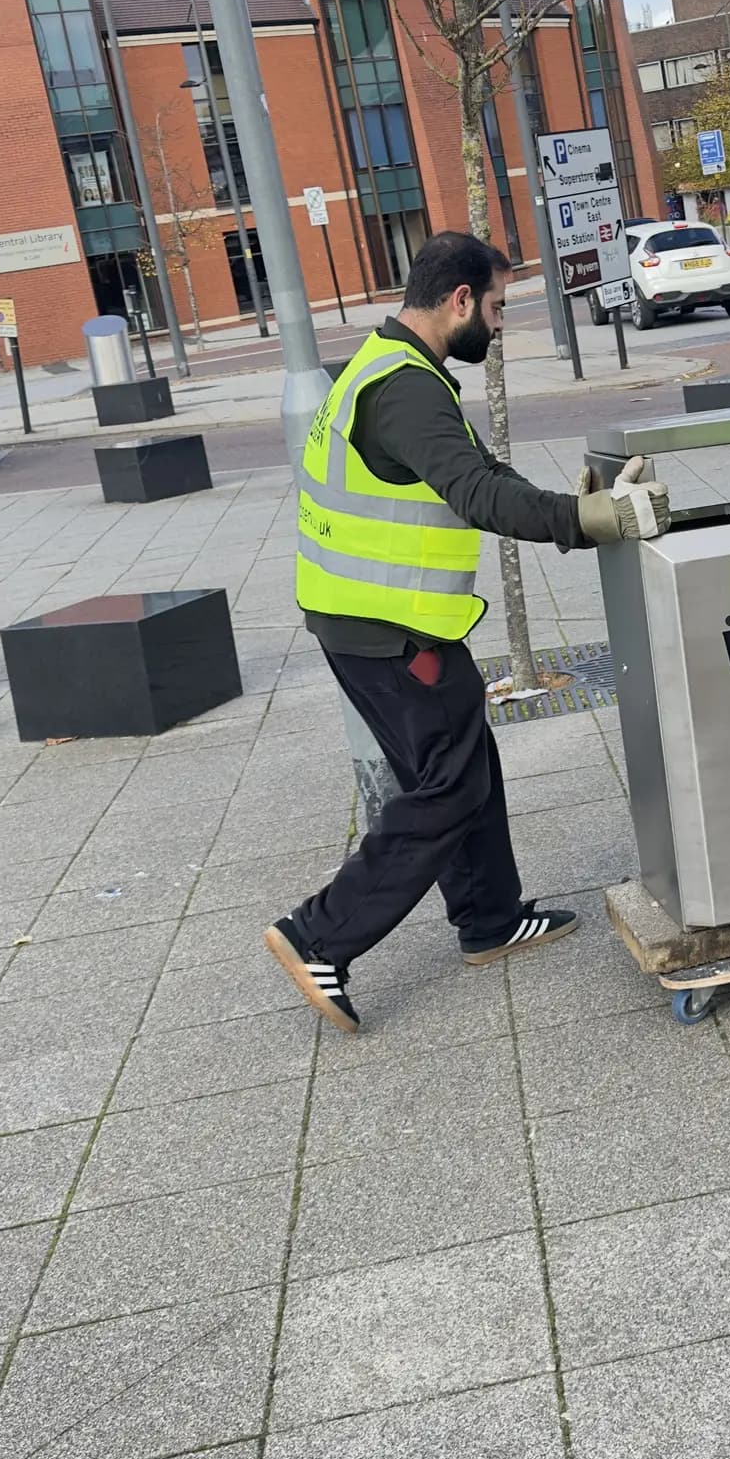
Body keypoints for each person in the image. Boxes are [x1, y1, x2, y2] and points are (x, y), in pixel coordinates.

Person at [266, 229, 669, 1033]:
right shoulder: (406, 391)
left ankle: (490, 919)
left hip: (374, 618)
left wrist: (570, 499)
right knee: (448, 786)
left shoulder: (395, 367)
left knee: (466, 758)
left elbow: (482, 474)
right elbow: (476, 495)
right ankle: (318, 933)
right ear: (458, 302)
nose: (499, 322)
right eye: (495, 307)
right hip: (387, 628)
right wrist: (592, 521)